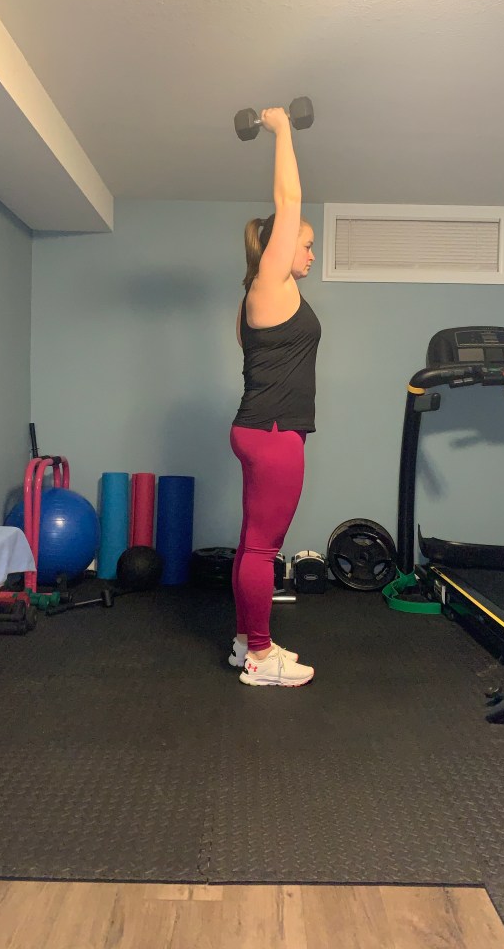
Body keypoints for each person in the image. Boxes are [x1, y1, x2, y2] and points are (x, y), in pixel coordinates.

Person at [228, 106, 321, 687]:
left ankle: (247, 644)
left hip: (257, 429)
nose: (310, 253)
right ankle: (262, 659)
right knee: (264, 548)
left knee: (252, 544)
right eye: (305, 244)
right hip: (274, 434)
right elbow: (289, 200)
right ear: (278, 249)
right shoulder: (270, 284)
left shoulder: (253, 301)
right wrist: (282, 128)